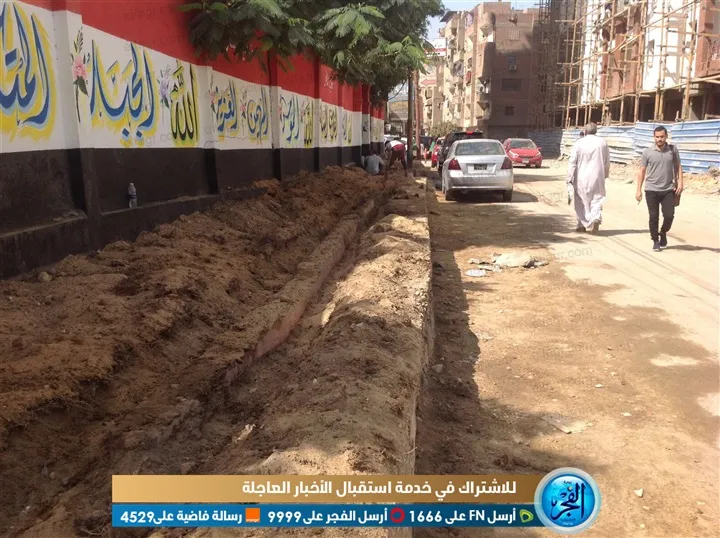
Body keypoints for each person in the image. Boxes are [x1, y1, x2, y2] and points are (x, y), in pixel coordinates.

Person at [636, 125, 683, 251]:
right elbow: (642, 171)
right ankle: (655, 240)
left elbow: (678, 166)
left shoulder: (672, 150)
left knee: (669, 215)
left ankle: (663, 231)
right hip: (651, 189)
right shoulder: (647, 152)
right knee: (653, 217)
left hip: (668, 189)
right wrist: (638, 190)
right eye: (657, 137)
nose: (659, 139)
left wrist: (681, 182)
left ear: (666, 136)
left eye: (662, 136)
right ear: (654, 137)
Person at [567, 123, 610, 233]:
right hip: (597, 176)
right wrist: (605, 175)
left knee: (581, 201)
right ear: (596, 131)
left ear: (585, 131)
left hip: (581, 177)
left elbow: (572, 161)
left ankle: (581, 225)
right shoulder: (602, 142)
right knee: (597, 199)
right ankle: (596, 217)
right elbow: (607, 161)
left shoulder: (579, 143)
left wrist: (570, 177)